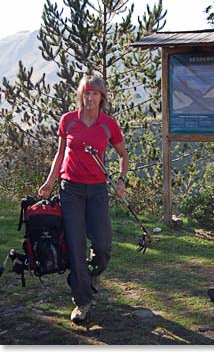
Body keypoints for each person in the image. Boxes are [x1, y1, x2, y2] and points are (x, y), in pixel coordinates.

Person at [38, 75, 128, 324]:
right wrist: (49, 181)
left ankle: (90, 275)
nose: (90, 98)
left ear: (102, 97)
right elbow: (59, 154)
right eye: (86, 93)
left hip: (97, 190)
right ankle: (82, 301)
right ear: (81, 95)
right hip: (71, 190)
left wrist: (122, 180)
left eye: (95, 94)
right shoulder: (68, 120)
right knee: (75, 246)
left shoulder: (108, 124)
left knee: (103, 247)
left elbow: (123, 155)